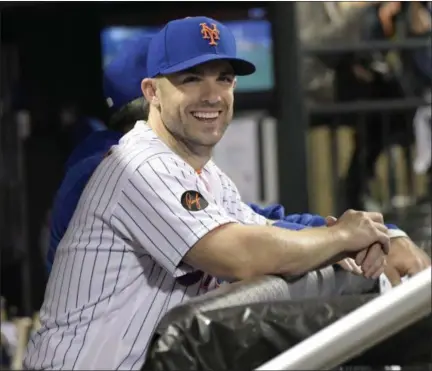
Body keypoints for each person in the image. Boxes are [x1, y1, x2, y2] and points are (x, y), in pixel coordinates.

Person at [25, 16, 429, 371]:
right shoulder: (136, 164)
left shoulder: (206, 176)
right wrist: (344, 237)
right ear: (151, 92)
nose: (212, 94)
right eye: (191, 78)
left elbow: (269, 228)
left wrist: (365, 238)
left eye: (224, 77)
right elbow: (240, 253)